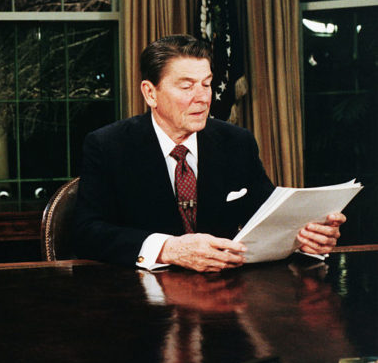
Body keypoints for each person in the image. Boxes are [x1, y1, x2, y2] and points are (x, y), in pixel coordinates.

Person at [72, 34, 345, 272]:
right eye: (187, 86)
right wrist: (169, 248)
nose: (203, 98)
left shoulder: (236, 142)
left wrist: (304, 239)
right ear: (150, 93)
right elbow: (86, 233)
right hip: (141, 302)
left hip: (224, 302)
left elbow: (267, 218)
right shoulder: (108, 145)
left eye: (206, 84)